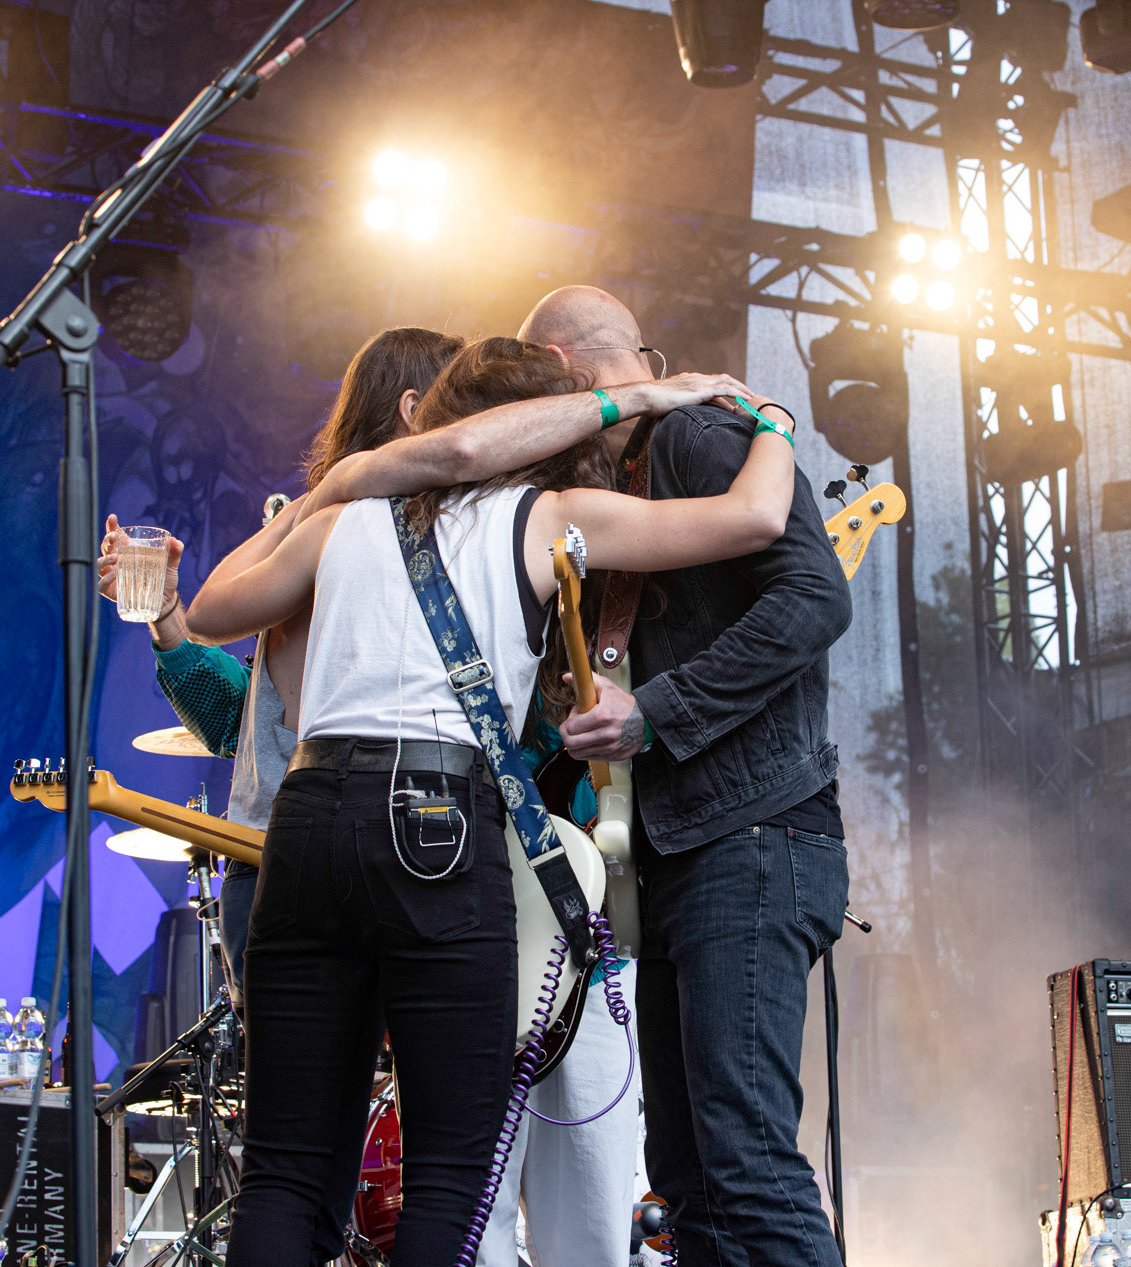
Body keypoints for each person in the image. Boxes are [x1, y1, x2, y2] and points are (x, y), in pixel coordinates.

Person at [188, 336, 797, 1267]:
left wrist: (325, 493)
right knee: (447, 1175)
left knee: (283, 1174)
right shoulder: (552, 516)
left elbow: (207, 610)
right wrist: (774, 419)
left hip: (308, 818)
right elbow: (756, 518)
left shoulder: (341, 521)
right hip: (434, 818)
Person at [540, 288, 856, 1267]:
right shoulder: (630, 478)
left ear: (566, 371)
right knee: (686, 1183)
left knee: (746, 1168)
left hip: (754, 842)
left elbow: (815, 598)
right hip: (681, 855)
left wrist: (655, 713)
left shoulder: (698, 439)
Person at [95, 327, 465, 1007]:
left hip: (419, 851)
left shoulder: (463, 537)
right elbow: (242, 723)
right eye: (462, 398)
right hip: (280, 855)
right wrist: (167, 613)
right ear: (414, 409)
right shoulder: (319, 524)